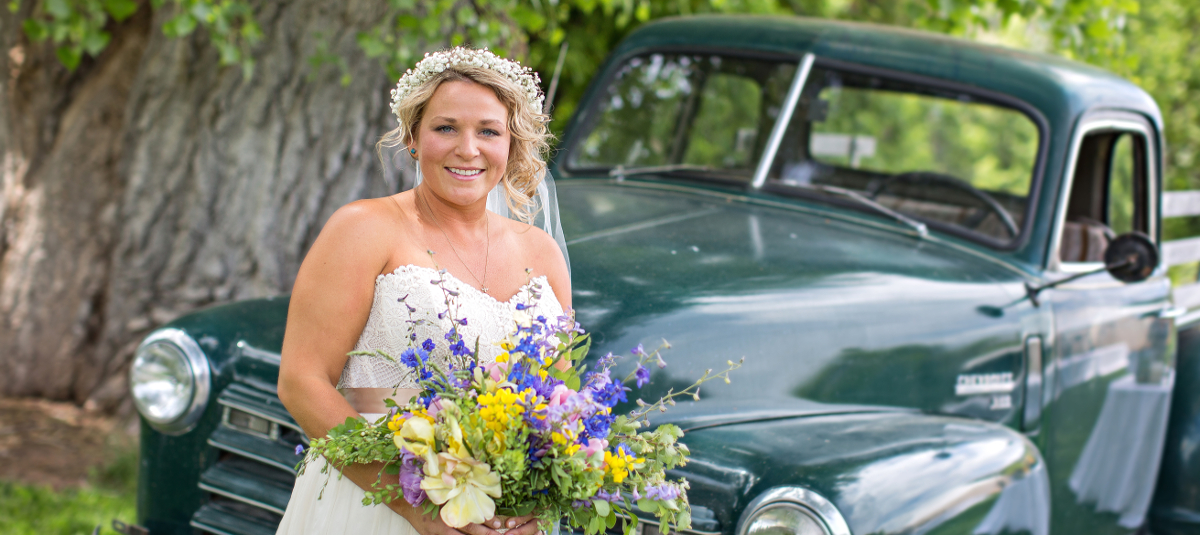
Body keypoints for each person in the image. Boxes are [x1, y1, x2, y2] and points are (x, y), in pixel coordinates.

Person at [276, 47, 571, 535]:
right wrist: (413, 504)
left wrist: (538, 504)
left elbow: (557, 401)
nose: (468, 149)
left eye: (489, 132)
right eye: (446, 128)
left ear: (512, 144)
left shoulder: (542, 254)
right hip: (374, 504)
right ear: (413, 138)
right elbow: (301, 382)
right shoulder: (363, 228)